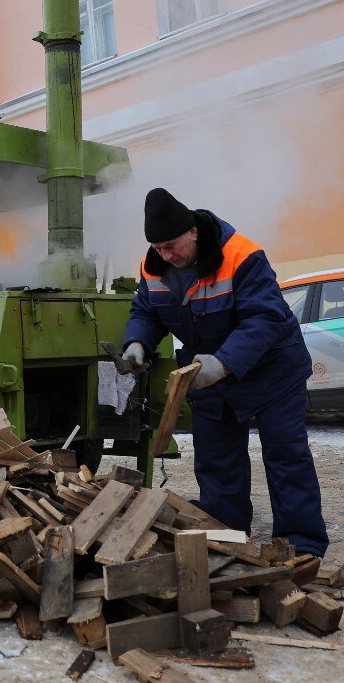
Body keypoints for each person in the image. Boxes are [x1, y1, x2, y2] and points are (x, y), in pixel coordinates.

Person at [122, 188, 329, 557]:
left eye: (171, 245)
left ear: (193, 232)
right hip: (207, 372)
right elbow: (146, 312)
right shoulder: (153, 264)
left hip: (272, 371)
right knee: (217, 460)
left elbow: (265, 317)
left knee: (286, 456)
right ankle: (226, 535)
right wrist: (138, 342)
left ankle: (302, 546)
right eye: (157, 248)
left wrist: (225, 362)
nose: (165, 255)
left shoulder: (243, 256)